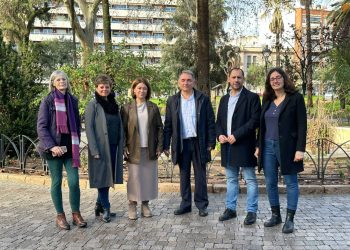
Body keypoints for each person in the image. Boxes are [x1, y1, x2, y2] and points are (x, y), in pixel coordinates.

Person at [255, 67, 307, 234]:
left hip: (288, 148)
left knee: (291, 182)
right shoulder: (267, 99)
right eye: (272, 79)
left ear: (284, 79)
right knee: (270, 182)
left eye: (278, 77)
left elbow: (302, 125)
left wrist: (300, 149)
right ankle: (275, 215)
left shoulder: (296, 98)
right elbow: (261, 126)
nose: (275, 81)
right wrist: (258, 146)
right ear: (269, 83)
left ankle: (290, 219)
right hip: (267, 146)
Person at [37, 70, 87, 230]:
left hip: (70, 148)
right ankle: (60, 215)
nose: (62, 81)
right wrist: (52, 146)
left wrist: (76, 142)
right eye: (58, 79)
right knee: (56, 182)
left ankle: (76, 214)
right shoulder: (48, 101)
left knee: (74, 182)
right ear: (53, 83)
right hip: (54, 150)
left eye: (64, 79)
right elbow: (42, 126)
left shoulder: (73, 100)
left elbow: (77, 125)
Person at [163, 70, 216, 217]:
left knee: (200, 175)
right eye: (183, 80)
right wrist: (165, 145)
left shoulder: (202, 99)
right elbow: (168, 124)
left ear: (193, 82)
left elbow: (211, 121)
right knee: (184, 174)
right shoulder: (172, 100)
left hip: (199, 142)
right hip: (181, 144)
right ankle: (185, 204)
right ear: (179, 82)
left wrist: (211, 141)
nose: (185, 83)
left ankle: (201, 205)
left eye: (188, 80)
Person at [216, 68, 261, 225]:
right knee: (231, 179)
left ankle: (251, 211)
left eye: (239, 77)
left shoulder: (252, 98)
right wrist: (219, 134)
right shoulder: (223, 99)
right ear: (229, 79)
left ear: (243, 79)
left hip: (245, 144)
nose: (236, 80)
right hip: (227, 146)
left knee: (250, 179)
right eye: (233, 77)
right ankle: (231, 209)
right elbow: (219, 122)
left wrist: (237, 134)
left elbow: (255, 121)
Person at [121, 77, 163, 220]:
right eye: (139, 88)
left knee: (147, 178)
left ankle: (145, 204)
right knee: (134, 178)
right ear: (133, 90)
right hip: (133, 149)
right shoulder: (126, 108)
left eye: (144, 88)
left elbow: (159, 128)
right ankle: (132, 204)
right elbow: (122, 130)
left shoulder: (153, 107)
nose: (141, 90)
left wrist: (160, 146)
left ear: (147, 90)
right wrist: (123, 146)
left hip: (150, 148)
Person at [85, 74, 124, 223]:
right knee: (102, 178)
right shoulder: (92, 105)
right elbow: (88, 129)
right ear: (96, 88)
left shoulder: (114, 104)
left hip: (113, 146)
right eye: (101, 87)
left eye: (107, 87)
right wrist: (94, 150)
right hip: (100, 148)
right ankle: (106, 207)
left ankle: (98, 205)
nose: (104, 89)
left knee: (108, 177)